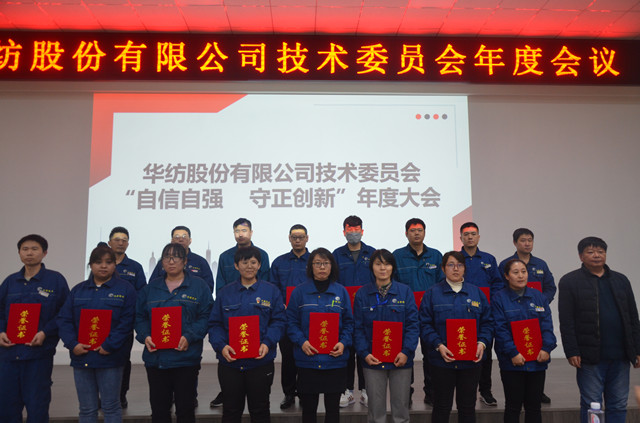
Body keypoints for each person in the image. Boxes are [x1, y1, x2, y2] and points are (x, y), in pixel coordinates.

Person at [558, 236, 640, 423]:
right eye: (591, 252)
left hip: (620, 356)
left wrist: (637, 348)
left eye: (600, 252)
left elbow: (633, 317)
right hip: (590, 356)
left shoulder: (621, 280)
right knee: (592, 404)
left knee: (619, 403)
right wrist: (572, 350)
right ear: (581, 256)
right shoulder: (570, 281)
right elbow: (566, 320)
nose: (596, 255)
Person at [57, 244, 137, 423]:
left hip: (110, 358)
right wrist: (73, 344)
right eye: (98, 262)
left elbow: (127, 322)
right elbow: (64, 320)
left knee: (111, 407)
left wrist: (109, 345)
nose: (103, 266)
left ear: (115, 265)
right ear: (90, 265)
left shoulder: (126, 289)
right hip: (82, 356)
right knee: (86, 409)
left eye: (108, 262)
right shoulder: (78, 290)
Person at [136, 243, 213, 423]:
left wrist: (189, 336)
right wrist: (145, 336)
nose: (171, 261)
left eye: (176, 257)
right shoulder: (150, 288)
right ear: (161, 262)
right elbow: (139, 317)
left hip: (186, 359)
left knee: (185, 411)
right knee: (159, 411)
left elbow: (206, 316)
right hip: (156, 360)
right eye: (167, 257)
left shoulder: (199, 286)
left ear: (185, 261)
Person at [209, 246, 286, 423]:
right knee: (231, 411)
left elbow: (279, 322)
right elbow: (215, 324)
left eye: (253, 262)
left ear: (259, 265)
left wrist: (267, 343)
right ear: (236, 266)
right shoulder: (225, 293)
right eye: (244, 262)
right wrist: (222, 346)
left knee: (260, 410)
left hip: (260, 362)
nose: (249, 266)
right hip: (230, 363)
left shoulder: (271, 291)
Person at [0, 234, 70, 423]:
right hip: (8, 355)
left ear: (44, 253)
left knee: (37, 406)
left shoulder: (55, 280)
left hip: (38, 355)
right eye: (25, 249)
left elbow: (65, 313)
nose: (29, 253)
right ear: (19, 253)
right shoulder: (10, 282)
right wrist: (1, 332)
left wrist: (45, 332)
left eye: (34, 249)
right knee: (6, 408)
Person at [419, 251, 493, 423]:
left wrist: (482, 343)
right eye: (451, 265)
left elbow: (488, 323)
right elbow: (424, 324)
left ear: (464, 268)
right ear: (443, 268)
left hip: (471, 362)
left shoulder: (476, 293)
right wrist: (438, 345)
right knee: (441, 406)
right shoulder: (432, 294)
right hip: (441, 361)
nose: (455, 269)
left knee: (467, 407)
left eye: (459, 265)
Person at [287, 247, 354, 423]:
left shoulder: (341, 292)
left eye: (326, 263)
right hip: (308, 360)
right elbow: (291, 322)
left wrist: (343, 342)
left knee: (333, 411)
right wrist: (302, 342)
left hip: (335, 361)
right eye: (317, 263)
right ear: (311, 266)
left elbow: (349, 323)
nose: (322, 267)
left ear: (332, 266)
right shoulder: (299, 292)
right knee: (309, 410)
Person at [354, 249, 419, 423]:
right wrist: (365, 353)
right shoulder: (362, 294)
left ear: (393, 267)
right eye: (378, 264)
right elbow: (357, 328)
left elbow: (413, 325)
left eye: (387, 264)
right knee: (375, 412)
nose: (383, 268)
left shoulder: (405, 292)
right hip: (372, 359)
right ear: (372, 267)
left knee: (401, 411)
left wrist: (406, 351)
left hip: (401, 359)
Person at [211, 217, 270, 408]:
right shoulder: (225, 256)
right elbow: (220, 286)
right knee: (232, 400)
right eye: (237, 231)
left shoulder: (262, 255)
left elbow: (266, 285)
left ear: (251, 232)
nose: (240, 234)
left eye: (244, 230)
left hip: (256, 311)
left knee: (259, 403)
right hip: (231, 312)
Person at [492, 259, 556, 423]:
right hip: (512, 362)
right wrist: (513, 352)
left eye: (523, 271)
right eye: (515, 272)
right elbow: (500, 329)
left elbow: (547, 325)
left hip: (537, 360)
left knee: (534, 407)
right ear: (507, 276)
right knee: (513, 406)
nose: (521, 276)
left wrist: (546, 348)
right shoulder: (499, 298)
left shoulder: (538, 296)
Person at [498, 227, 556, 404]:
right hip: (512, 319)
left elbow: (550, 287)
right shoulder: (505, 264)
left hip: (535, 317)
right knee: (513, 403)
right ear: (515, 243)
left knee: (534, 402)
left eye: (530, 240)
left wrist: (539, 303)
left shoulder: (541, 264)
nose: (527, 243)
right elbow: (499, 291)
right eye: (523, 240)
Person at [393, 217, 444, 405]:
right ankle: (406, 392)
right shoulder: (397, 256)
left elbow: (441, 283)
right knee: (406, 352)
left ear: (424, 232)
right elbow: (393, 283)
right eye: (412, 230)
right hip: (406, 313)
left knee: (431, 353)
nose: (416, 233)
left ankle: (432, 392)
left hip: (430, 313)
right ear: (406, 233)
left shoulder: (436, 256)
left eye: (420, 230)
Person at [332, 215, 375, 407]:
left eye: (357, 230)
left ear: (362, 231)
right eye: (350, 230)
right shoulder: (336, 255)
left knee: (365, 349)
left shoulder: (372, 253)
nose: (353, 233)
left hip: (368, 311)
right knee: (346, 352)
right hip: (344, 312)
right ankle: (347, 390)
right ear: (344, 232)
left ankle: (366, 390)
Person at [459, 222, 502, 406]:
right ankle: (463, 391)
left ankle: (485, 391)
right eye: (466, 234)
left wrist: (490, 304)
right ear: (460, 237)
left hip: (483, 314)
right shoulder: (455, 259)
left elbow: (498, 284)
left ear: (478, 237)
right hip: (461, 314)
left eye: (473, 234)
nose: (470, 237)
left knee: (485, 352)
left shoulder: (489, 259)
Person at [269, 224, 311, 409]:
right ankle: (289, 393)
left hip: (309, 317)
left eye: (301, 237)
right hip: (286, 317)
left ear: (307, 238)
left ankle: (305, 392)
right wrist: (281, 304)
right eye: (294, 237)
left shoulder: (315, 261)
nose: (298, 240)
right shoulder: (279, 262)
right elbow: (273, 289)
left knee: (307, 354)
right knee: (288, 357)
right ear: (289, 238)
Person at [108, 226, 147, 408]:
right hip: (103, 320)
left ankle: (121, 394)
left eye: (124, 240)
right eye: (117, 239)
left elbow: (142, 294)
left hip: (125, 322)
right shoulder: (102, 264)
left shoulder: (135, 267)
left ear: (128, 244)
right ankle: (104, 395)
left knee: (123, 358)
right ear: (109, 242)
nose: (120, 242)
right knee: (101, 357)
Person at [149, 226, 214, 293]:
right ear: (172, 241)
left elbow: (208, 288)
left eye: (184, 237)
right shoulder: (164, 262)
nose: (180, 239)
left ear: (190, 240)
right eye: (177, 237)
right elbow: (152, 286)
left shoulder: (200, 261)